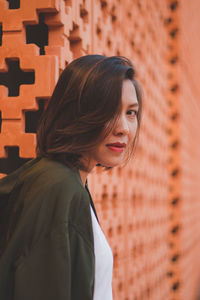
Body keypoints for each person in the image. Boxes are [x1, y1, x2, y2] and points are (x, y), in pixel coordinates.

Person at [0, 54, 142, 300]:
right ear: (77, 113)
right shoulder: (57, 186)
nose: (124, 128)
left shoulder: (71, 181)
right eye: (108, 111)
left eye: (131, 112)